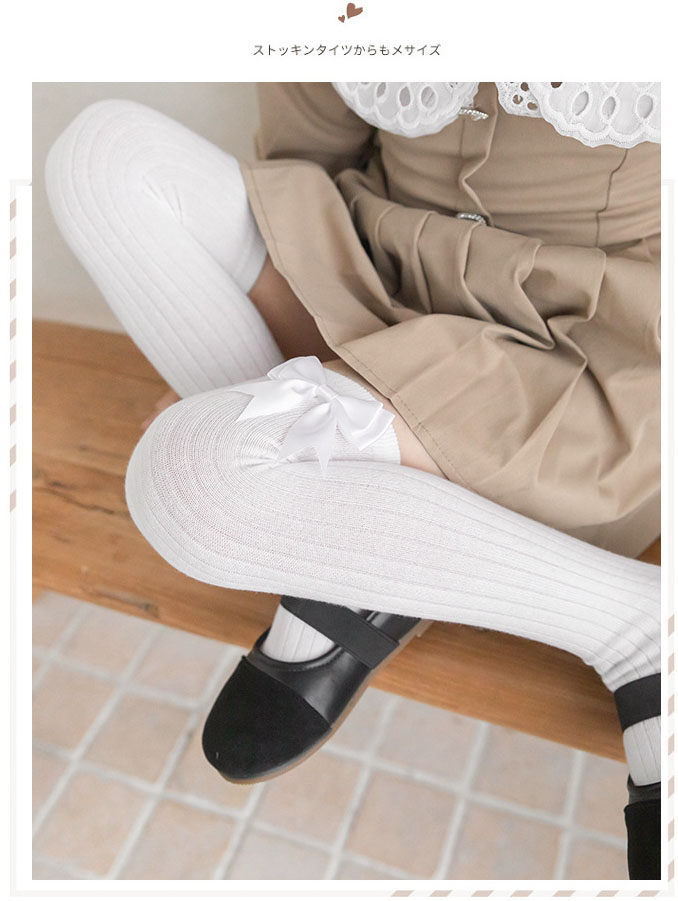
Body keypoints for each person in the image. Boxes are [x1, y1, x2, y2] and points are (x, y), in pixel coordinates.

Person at [44, 82, 661, 879]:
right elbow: (306, 157)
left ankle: (637, 628)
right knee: (101, 154)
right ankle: (359, 538)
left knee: (183, 480)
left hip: (575, 358)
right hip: (369, 277)